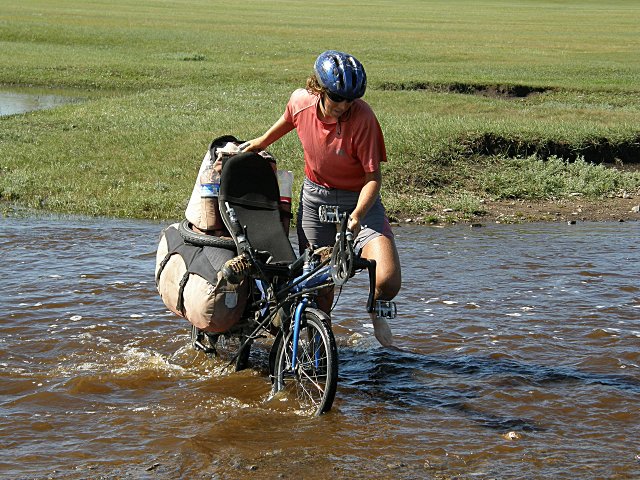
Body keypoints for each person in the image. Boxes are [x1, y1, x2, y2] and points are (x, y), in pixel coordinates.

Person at [242, 50, 401, 348]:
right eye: (337, 97)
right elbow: (288, 120)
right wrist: (260, 143)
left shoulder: (363, 118)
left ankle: (375, 310)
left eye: (350, 100)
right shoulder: (301, 101)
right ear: (318, 88)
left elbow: (373, 178)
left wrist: (356, 217)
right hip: (316, 201)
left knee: (387, 279)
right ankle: (318, 350)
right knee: (319, 288)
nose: (344, 106)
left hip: (360, 204)